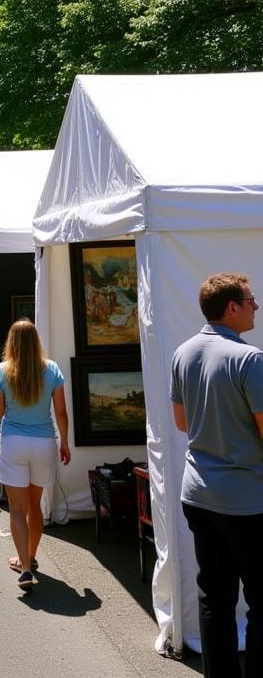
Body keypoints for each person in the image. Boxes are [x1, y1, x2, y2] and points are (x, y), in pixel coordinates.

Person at [171, 273, 263, 677]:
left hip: (199, 493)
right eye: (250, 300)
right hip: (245, 498)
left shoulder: (183, 352)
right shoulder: (249, 358)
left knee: (215, 595)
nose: (255, 306)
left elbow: (181, 422)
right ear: (232, 308)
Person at [0, 320, 70, 590]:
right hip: (44, 440)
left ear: (11, 342)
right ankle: (32, 556)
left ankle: (24, 566)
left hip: (14, 441)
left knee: (17, 509)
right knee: (35, 506)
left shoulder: (2, 371)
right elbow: (60, 411)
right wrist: (65, 442)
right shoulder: (52, 370)